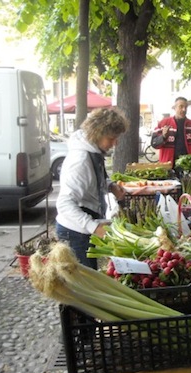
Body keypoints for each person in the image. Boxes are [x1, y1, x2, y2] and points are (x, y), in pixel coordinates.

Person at [56, 108, 129, 269]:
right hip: (74, 232)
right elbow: (64, 204)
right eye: (112, 138)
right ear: (98, 133)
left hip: (83, 227)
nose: (115, 143)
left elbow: (96, 177)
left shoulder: (94, 151)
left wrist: (110, 186)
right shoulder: (80, 161)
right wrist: (94, 226)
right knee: (84, 287)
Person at [151, 97, 191, 168]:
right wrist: (163, 137)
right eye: (181, 106)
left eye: (186, 107)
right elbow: (154, 144)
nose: (184, 109)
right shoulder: (163, 123)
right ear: (174, 108)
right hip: (168, 165)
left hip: (189, 165)